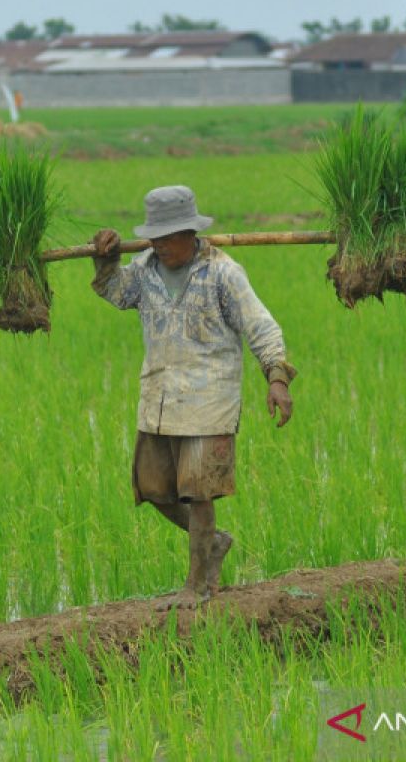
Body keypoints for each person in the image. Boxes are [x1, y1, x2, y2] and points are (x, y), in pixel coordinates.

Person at [91, 185, 297, 608]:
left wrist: (277, 377)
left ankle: (198, 585)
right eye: (154, 236)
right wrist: (105, 256)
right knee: (154, 490)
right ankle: (214, 543)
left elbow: (261, 325)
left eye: (167, 237)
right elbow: (115, 291)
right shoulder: (145, 270)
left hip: (209, 400)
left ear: (190, 232)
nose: (159, 244)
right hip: (160, 397)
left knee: (199, 492)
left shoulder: (223, 273)